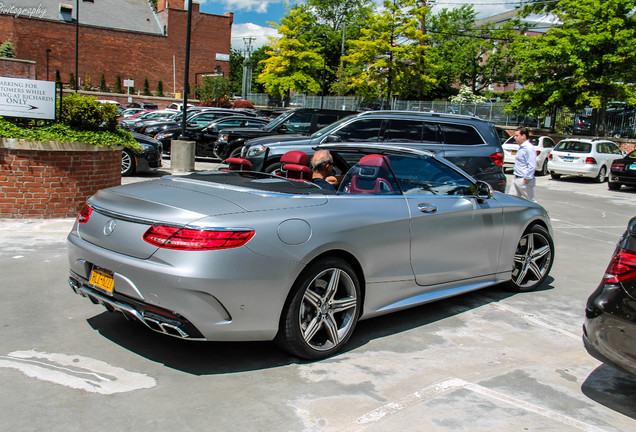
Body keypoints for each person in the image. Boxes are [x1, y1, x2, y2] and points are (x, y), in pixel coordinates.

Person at [509, 126, 537, 201]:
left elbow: (532, 166)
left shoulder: (528, 148)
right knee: (511, 200)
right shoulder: (521, 147)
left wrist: (526, 178)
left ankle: (538, 212)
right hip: (516, 178)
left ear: (523, 136)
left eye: (517, 135)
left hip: (523, 180)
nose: (515, 138)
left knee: (530, 201)